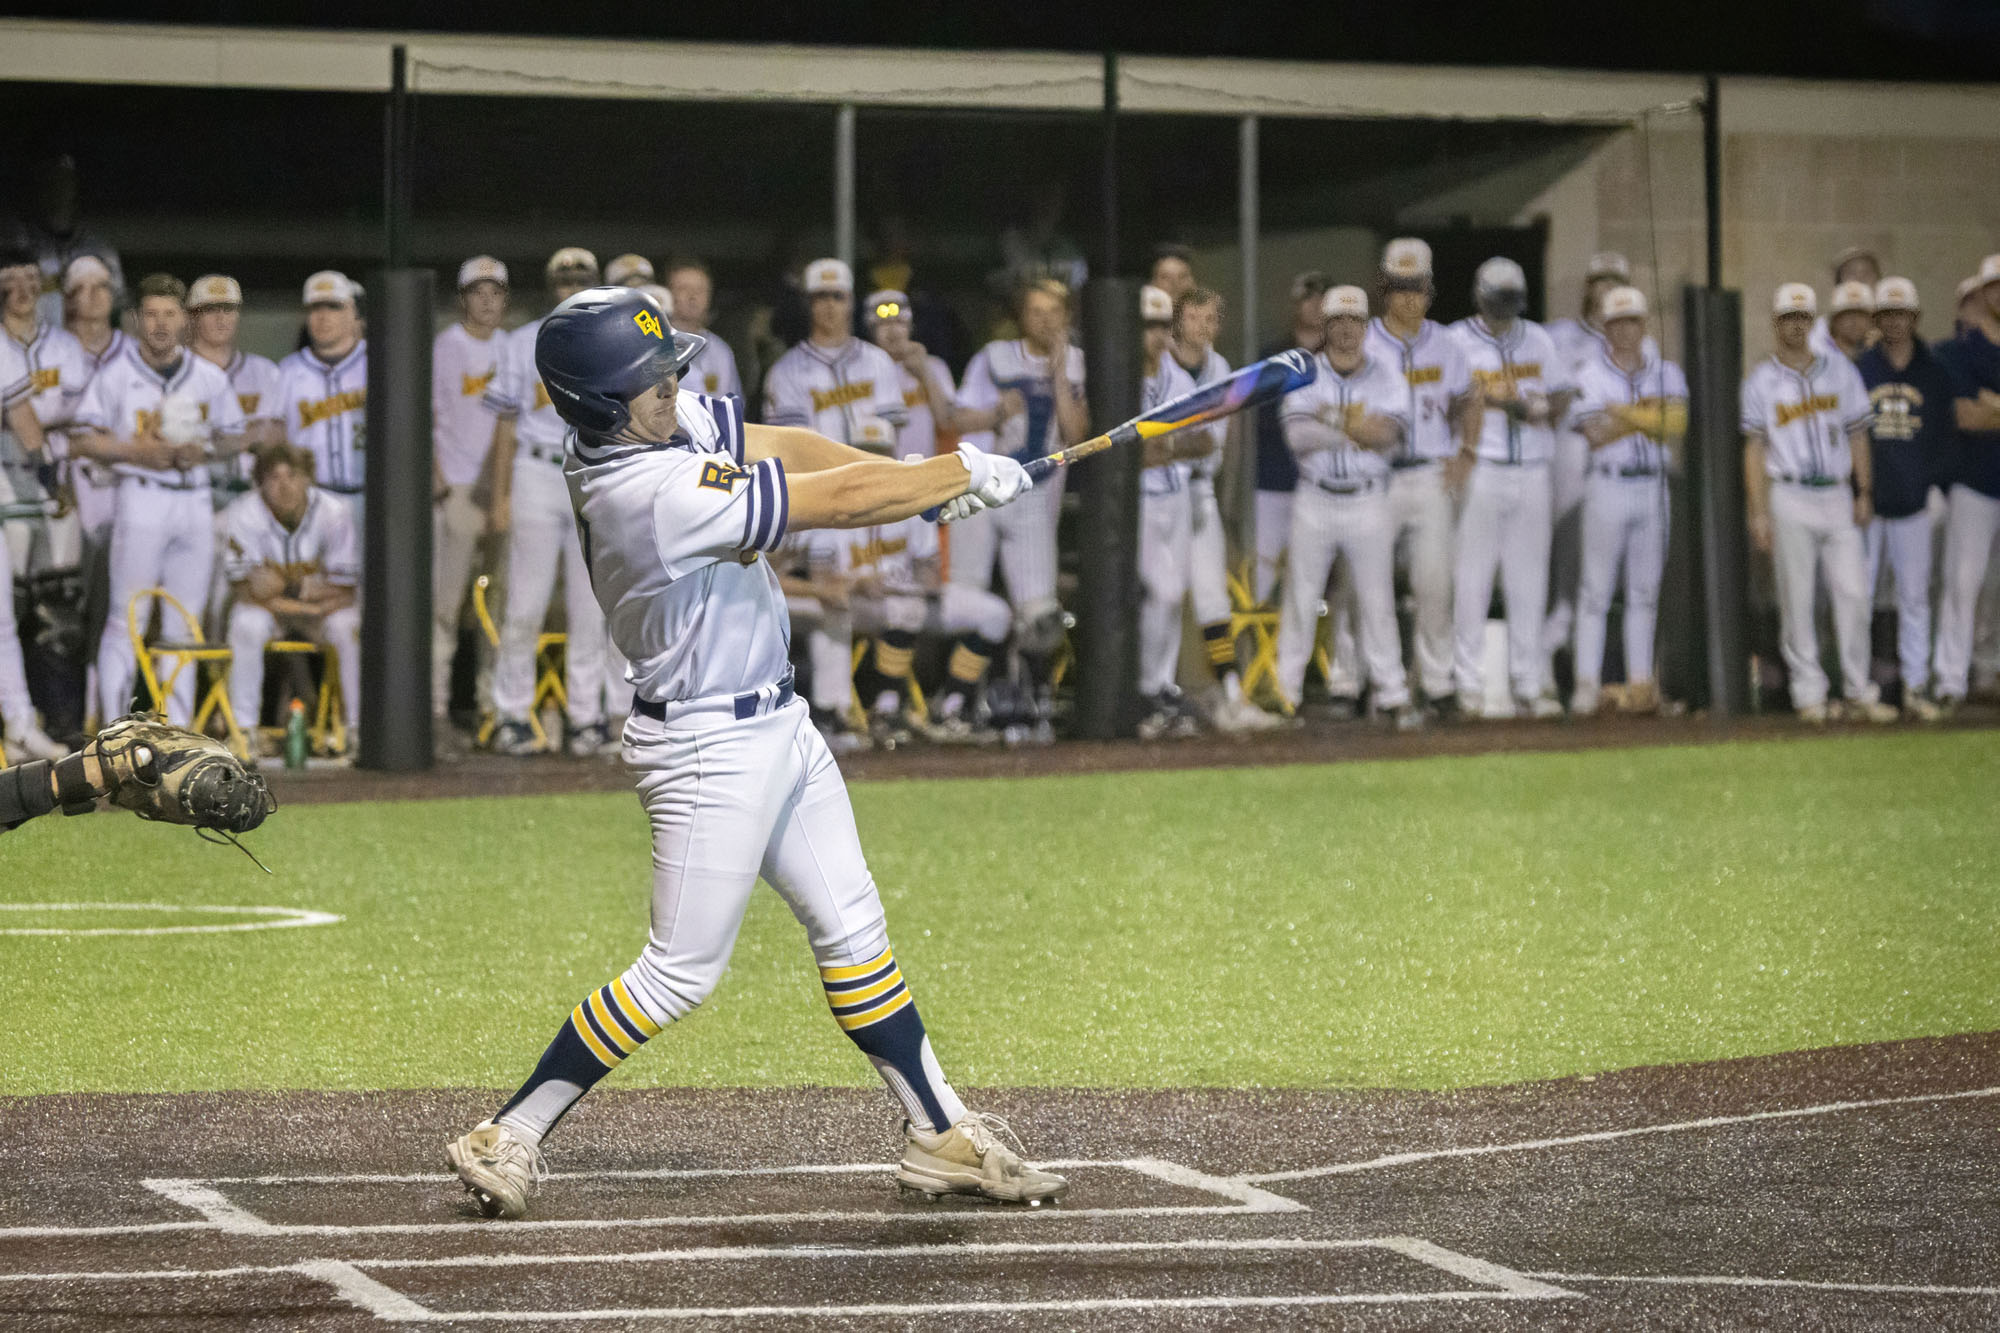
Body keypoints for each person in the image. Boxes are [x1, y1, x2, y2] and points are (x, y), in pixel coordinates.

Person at [445, 285, 1063, 1219]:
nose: (675, 386)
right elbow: (834, 503)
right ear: (602, 404)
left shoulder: (653, 422)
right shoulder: (642, 490)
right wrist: (945, 476)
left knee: (855, 932)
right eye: (652, 380)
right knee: (678, 972)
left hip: (777, 721)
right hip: (704, 745)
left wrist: (919, 475)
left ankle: (939, 1130)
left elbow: (789, 448)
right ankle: (510, 1130)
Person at [72, 274, 247, 726]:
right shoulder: (115, 376)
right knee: (126, 619)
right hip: (141, 499)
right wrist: (136, 452)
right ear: (136, 319)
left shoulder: (207, 377)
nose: (160, 324)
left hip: (194, 499)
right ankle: (114, 729)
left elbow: (235, 436)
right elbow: (82, 439)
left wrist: (204, 450)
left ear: (185, 320)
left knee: (183, 625)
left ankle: (179, 732)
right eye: (151, 314)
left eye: (169, 314)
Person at [763, 259, 910, 745]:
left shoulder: (877, 363)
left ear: (851, 302)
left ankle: (858, 707)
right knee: (828, 596)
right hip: (811, 500)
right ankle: (826, 710)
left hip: (869, 499)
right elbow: (786, 454)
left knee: (846, 600)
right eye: (820, 297)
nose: (829, 306)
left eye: (837, 296)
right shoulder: (787, 371)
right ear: (808, 304)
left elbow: (892, 443)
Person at [486, 247, 623, 758]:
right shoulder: (523, 341)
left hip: (592, 473)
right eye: (563, 278)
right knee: (524, 603)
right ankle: (512, 713)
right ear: (550, 286)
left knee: (591, 607)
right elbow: (503, 425)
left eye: (581, 276)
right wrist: (499, 496)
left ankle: (586, 717)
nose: (571, 285)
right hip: (537, 470)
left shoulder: (613, 338)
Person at [1741, 282, 1896, 724]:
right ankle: (1808, 692)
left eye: (1802, 318)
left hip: (1835, 491)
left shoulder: (1839, 371)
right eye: (1788, 318)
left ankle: (1857, 689)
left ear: (1812, 322)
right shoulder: (1761, 381)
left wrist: (1863, 490)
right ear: (1775, 323)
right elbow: (1753, 448)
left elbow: (1858, 433)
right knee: (1798, 598)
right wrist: (1758, 510)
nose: (1795, 326)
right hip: (1789, 492)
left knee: (1853, 593)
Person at [1270, 284, 1416, 727]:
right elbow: (1297, 436)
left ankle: (1391, 692)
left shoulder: (1388, 372)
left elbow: (1388, 434)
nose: (1348, 330)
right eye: (1340, 321)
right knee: (1301, 597)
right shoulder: (1305, 371)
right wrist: (1353, 425)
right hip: (1314, 496)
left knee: (1376, 600)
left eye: (1355, 321)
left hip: (1367, 497)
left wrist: (1328, 420)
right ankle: (1285, 693)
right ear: (1326, 325)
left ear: (1364, 325)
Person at [950, 278, 1088, 735]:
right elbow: (954, 419)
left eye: (1055, 311)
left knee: (1039, 613)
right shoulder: (994, 357)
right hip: (985, 487)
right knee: (967, 598)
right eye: (1037, 311)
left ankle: (1034, 701)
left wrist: (1060, 373)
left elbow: (1076, 434)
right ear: (1021, 315)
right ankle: (961, 702)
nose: (1046, 320)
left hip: (1032, 491)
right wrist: (994, 414)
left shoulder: (1077, 363)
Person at [1449, 257, 1575, 718]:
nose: (1504, 311)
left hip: (1532, 468)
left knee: (1528, 582)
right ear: (1480, 296)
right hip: (1481, 466)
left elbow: (1562, 394)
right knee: (1471, 581)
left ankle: (1529, 682)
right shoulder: (1456, 341)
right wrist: (1492, 399)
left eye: (1510, 302)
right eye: (1497, 301)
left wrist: (1538, 405)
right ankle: (1468, 683)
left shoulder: (1537, 339)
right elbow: (1443, 401)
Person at [1359, 238, 1475, 716]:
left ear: (1430, 291)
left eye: (1417, 287)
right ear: (1385, 289)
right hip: (1378, 477)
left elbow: (1470, 399)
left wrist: (1466, 452)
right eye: (1399, 287)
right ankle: (1381, 686)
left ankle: (1439, 682)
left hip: (1428, 473)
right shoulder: (1361, 340)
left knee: (1434, 584)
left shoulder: (1447, 344)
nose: (1408, 297)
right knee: (1369, 587)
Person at [1567, 286, 1687, 715]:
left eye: (1632, 321)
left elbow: (1675, 424)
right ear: (1605, 326)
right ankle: (1585, 685)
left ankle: (1640, 685)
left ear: (1643, 324)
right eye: (1617, 322)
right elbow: (1594, 434)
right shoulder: (1589, 373)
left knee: (1644, 591)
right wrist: (1645, 418)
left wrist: (1621, 412)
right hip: (1608, 483)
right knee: (1596, 592)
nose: (1625, 330)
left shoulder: (1665, 371)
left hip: (1652, 485)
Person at [1170, 286, 1273, 731]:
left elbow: (1223, 442)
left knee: (1213, 597)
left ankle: (1231, 693)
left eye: (1211, 318)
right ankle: (1157, 692)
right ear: (1179, 321)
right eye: (1195, 317)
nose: (1204, 326)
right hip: (1161, 491)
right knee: (1162, 597)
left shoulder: (1221, 367)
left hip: (1200, 491)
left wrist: (1225, 496)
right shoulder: (1160, 364)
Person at [1852, 277, 1954, 720]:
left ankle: (1915, 684)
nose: (1895, 322)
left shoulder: (1933, 371)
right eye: (1887, 315)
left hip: (1914, 501)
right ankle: (1863, 687)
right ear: (1878, 320)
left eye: (1902, 314)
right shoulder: (1861, 369)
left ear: (1915, 319)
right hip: (1870, 503)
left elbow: (1943, 435)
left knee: (1914, 598)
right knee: (1861, 595)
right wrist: (1860, 490)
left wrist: (1933, 484)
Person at [222, 444, 360, 746]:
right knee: (246, 623)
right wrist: (307, 599)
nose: (284, 486)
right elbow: (247, 591)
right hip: (277, 611)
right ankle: (244, 730)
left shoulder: (334, 513)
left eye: (293, 475)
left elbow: (347, 590)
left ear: (309, 478)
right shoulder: (244, 513)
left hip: (320, 610)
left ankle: (357, 728)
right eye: (273, 477)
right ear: (260, 483)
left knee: (348, 626)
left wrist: (288, 587)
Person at [1543, 252, 1634, 696]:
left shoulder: (1637, 345)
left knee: (1608, 570)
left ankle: (1597, 669)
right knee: (1570, 564)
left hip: (1618, 458)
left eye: (1614, 281)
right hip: (1570, 451)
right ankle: (1553, 654)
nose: (1605, 288)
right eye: (1599, 280)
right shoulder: (1559, 335)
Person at [431, 256, 511, 727]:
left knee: (497, 603)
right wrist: (438, 482)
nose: (486, 299)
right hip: (457, 487)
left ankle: (490, 702)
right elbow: (427, 414)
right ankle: (436, 705)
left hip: (500, 490)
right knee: (444, 604)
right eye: (477, 291)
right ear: (463, 298)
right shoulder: (447, 346)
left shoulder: (513, 348)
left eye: (494, 291)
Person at [1133, 285, 1204, 739]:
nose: (1155, 335)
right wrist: (1144, 450)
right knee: (1158, 592)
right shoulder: (1119, 374)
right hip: (1137, 499)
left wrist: (1171, 445)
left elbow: (1207, 439)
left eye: (1161, 326)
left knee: (1173, 594)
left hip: (1175, 495)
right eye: (1147, 326)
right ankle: (1145, 685)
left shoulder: (1178, 378)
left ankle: (1162, 684)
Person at [1932, 253, 2000, 713]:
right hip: (1973, 482)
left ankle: (1989, 670)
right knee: (1962, 581)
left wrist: (1992, 405)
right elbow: (1964, 415)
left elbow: (1985, 410)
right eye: (1993, 287)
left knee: (1996, 588)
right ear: (1981, 293)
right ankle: (1950, 678)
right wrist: (1985, 409)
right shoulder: (1957, 350)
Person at [1251, 272, 1327, 605]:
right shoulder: (1273, 356)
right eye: (1309, 298)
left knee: (1315, 579)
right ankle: (1260, 652)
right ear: (1296, 304)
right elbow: (1261, 420)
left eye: (1323, 298)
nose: (1316, 306)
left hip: (1321, 483)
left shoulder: (1338, 357)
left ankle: (1316, 656)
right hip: (1272, 480)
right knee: (1263, 576)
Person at [276, 271, 368, 534]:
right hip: (310, 500)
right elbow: (275, 440)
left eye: (334, 307)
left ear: (352, 312)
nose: (323, 316)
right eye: (315, 307)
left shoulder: (379, 364)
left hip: (369, 497)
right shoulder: (287, 371)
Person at [12, 156, 124, 331]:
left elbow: (117, 299)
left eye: (65, 183)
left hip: (85, 341)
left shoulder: (97, 246)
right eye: (51, 183)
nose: (58, 191)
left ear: (76, 190)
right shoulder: (19, 242)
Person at [863, 289, 956, 459]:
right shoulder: (862, 371)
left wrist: (924, 372)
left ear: (910, 326)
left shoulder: (934, 366)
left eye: (899, 322)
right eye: (884, 324)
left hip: (926, 467)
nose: (893, 330)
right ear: (871, 330)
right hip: (882, 467)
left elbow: (947, 421)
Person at [665, 259, 742, 400]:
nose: (693, 296)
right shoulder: (652, 347)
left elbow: (733, 406)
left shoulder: (721, 351)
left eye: (700, 290)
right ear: (667, 293)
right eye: (683, 288)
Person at [1811, 246, 1882, 361]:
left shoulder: (1891, 328)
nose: (1859, 278)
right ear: (1838, 282)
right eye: (1851, 273)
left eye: (1866, 273)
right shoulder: (1822, 330)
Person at [1825, 282, 1876, 361]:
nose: (1855, 321)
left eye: (1861, 315)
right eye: (1847, 314)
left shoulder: (1874, 360)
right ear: (1834, 321)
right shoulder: (1819, 356)